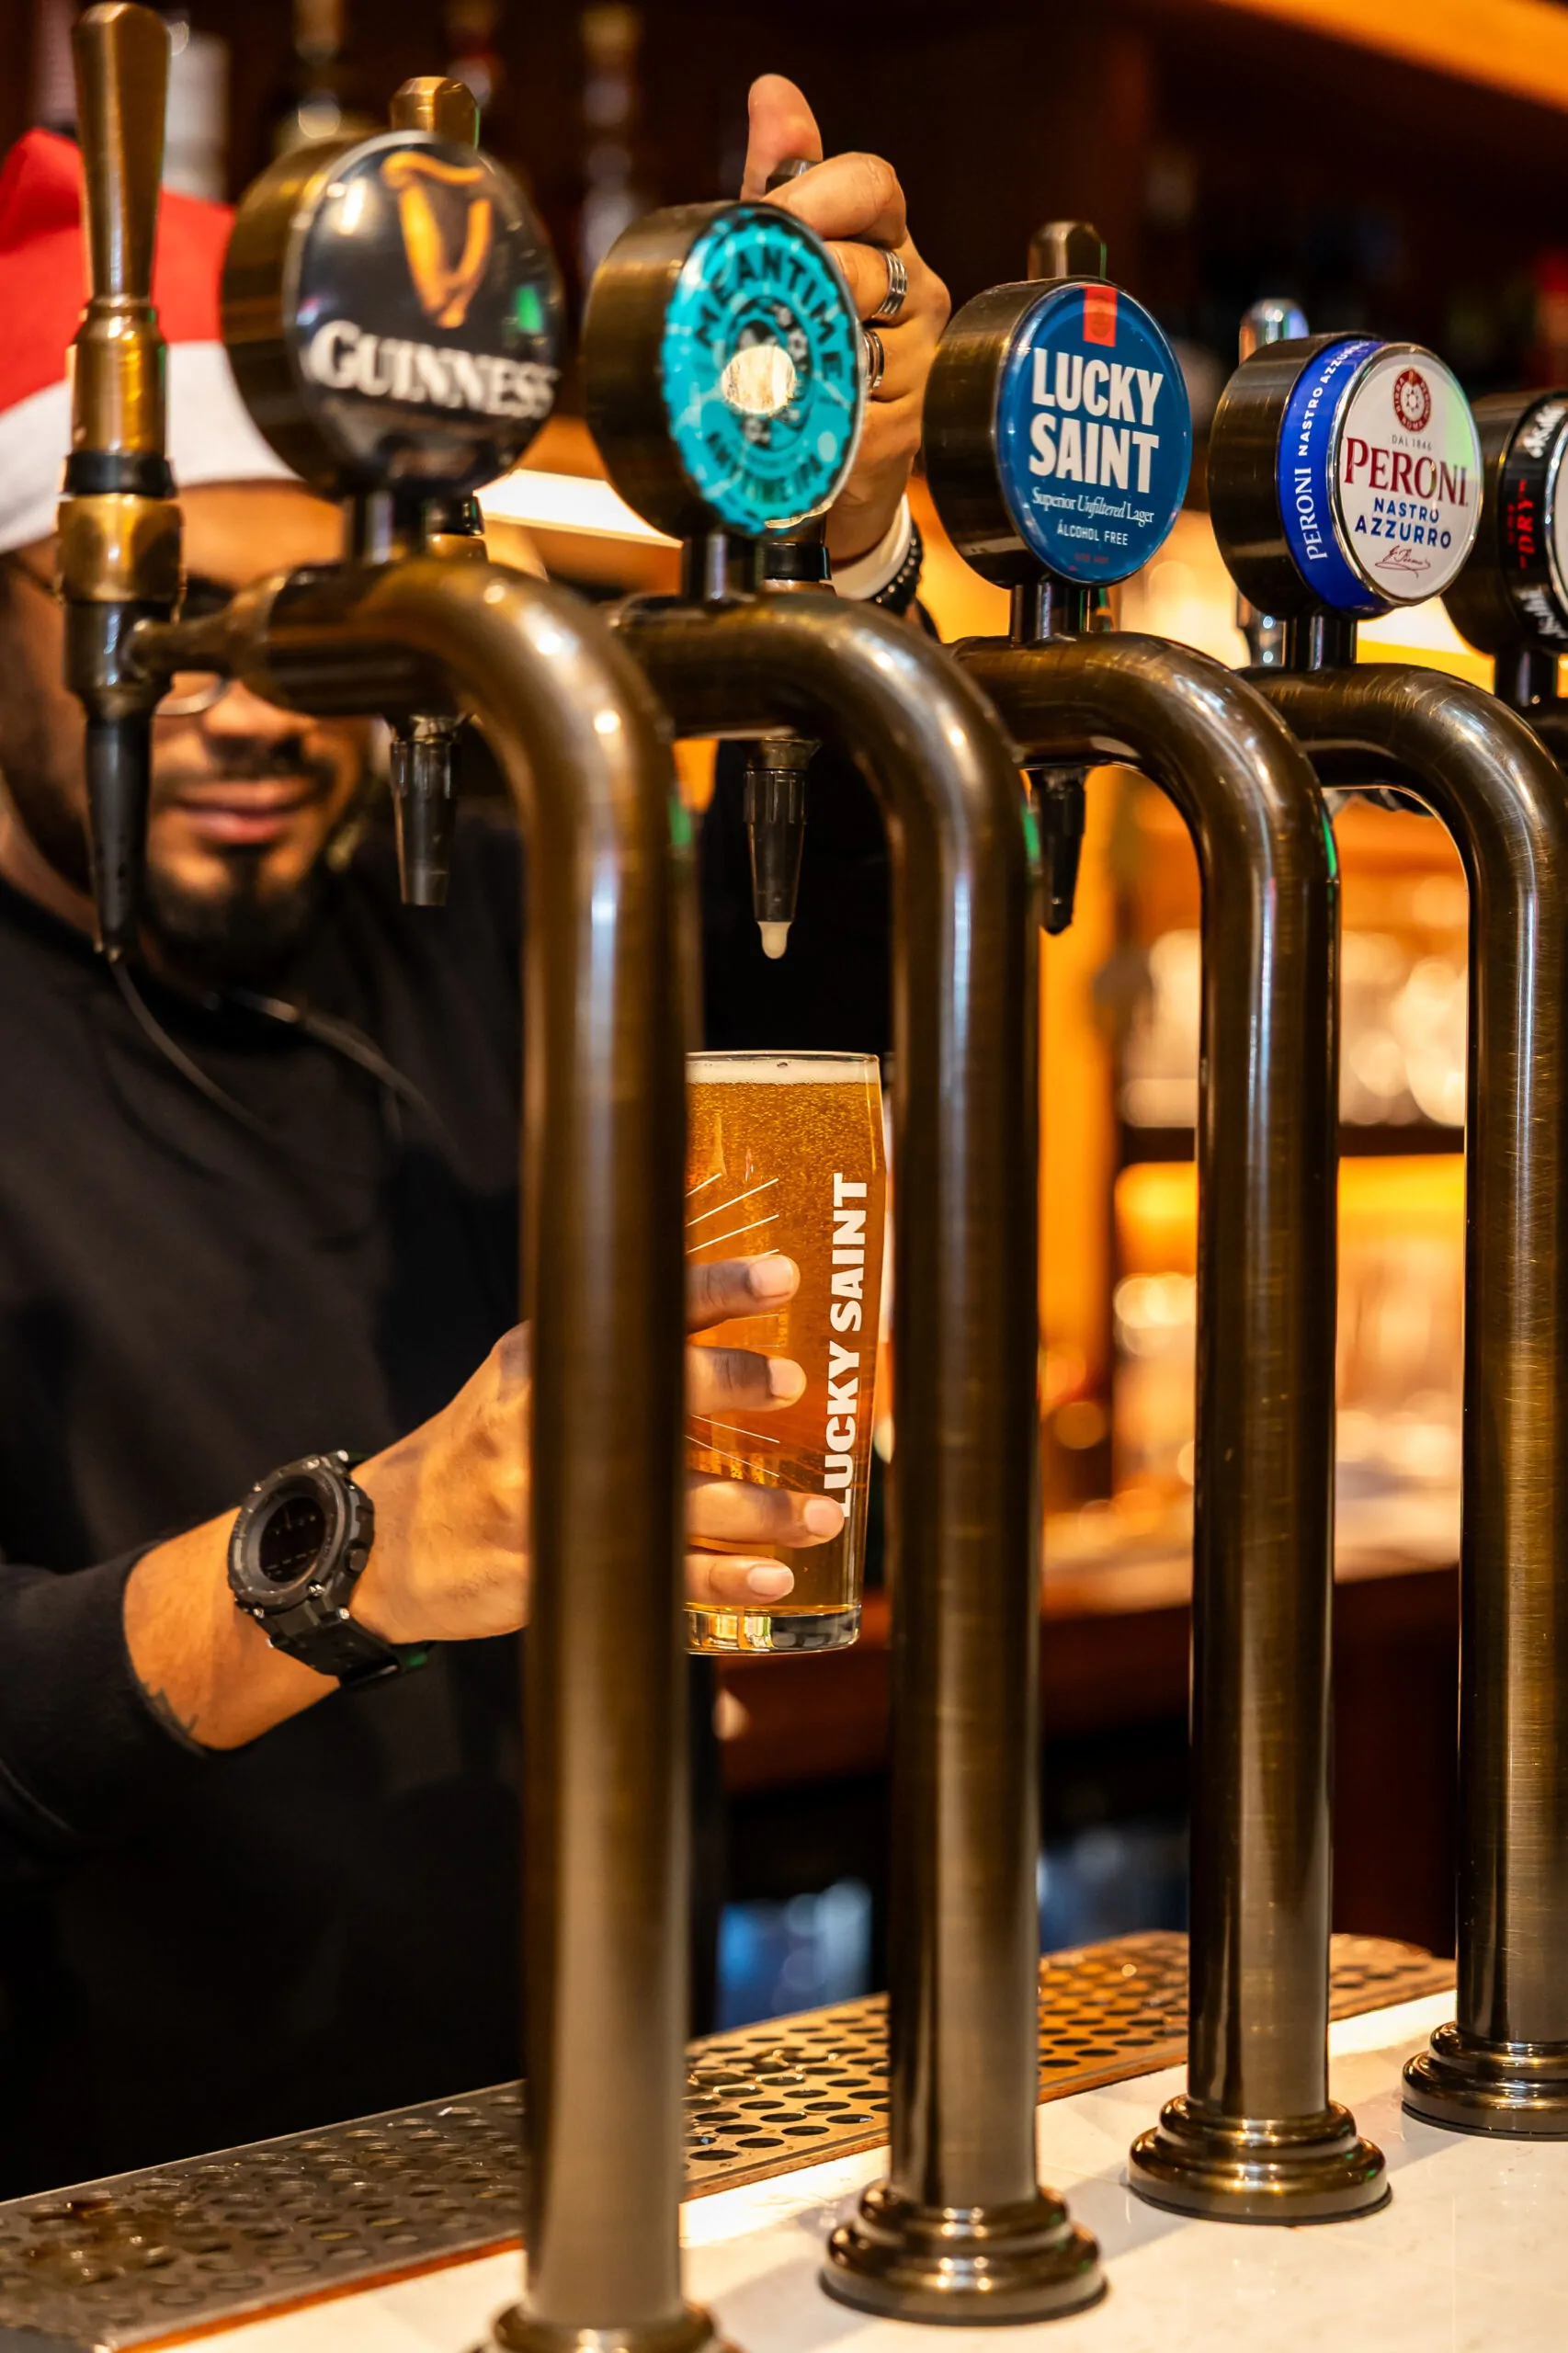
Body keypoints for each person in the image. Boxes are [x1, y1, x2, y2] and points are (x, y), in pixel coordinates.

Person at [0, 75, 946, 2192]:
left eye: (318, 633)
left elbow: (806, 1017)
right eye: (162, 630)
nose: (255, 711)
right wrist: (366, 1552)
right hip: (125, 2216)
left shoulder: (482, 893)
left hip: (603, 2134)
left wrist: (835, 544)